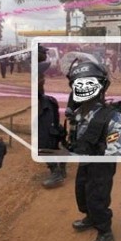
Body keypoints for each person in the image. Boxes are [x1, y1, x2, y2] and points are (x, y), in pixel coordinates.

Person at [66, 60, 121, 241]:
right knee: (82, 191)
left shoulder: (112, 116)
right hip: (86, 160)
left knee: (98, 196)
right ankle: (90, 217)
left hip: (101, 164)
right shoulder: (80, 113)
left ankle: (105, 231)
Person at [37, 46, 66, 188]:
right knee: (47, 136)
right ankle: (60, 163)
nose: (44, 79)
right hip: (39, 101)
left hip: (43, 104)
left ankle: (57, 172)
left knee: (46, 137)